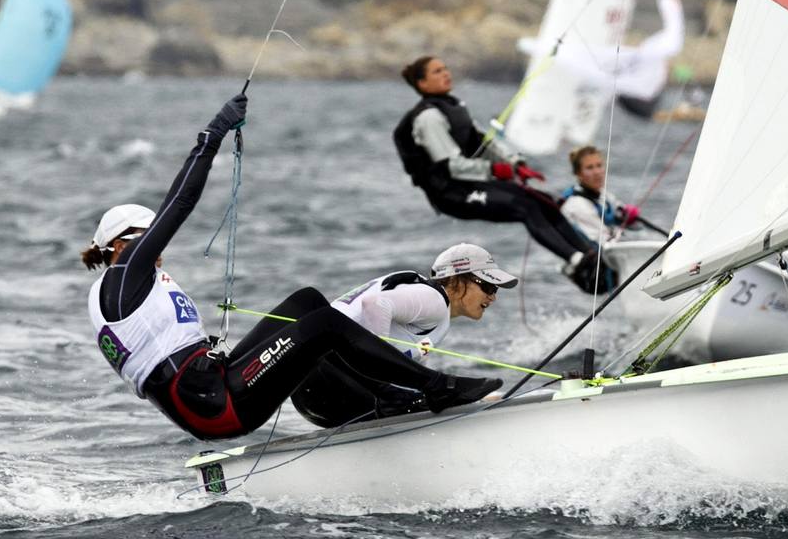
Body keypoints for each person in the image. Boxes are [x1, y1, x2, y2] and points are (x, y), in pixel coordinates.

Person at [83, 93, 497, 442]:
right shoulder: (124, 274)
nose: (156, 240)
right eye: (145, 233)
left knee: (308, 303)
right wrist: (211, 137)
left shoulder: (123, 289)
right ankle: (436, 387)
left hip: (214, 387)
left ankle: (384, 396)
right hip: (212, 404)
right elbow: (179, 204)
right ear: (120, 243)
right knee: (326, 327)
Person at [392, 55, 614, 294]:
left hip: (472, 184)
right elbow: (451, 166)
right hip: (451, 194)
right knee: (524, 208)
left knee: (544, 201)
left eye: (445, 68)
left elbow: (485, 143)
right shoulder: (428, 118)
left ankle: (590, 253)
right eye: (437, 72)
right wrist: (494, 169)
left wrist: (515, 163)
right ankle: (576, 260)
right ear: (422, 83)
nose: (446, 73)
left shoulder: (454, 107)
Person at [291, 243, 514, 428]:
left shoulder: (432, 314)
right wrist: (376, 363)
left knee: (415, 399)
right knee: (409, 404)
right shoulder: (433, 300)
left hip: (314, 385)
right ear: (456, 280)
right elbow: (376, 304)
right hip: (330, 378)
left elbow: (406, 378)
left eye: (495, 289)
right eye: (487, 286)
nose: (493, 297)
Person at [559, 145, 640, 246]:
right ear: (578, 173)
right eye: (590, 168)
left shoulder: (604, 195)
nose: (597, 172)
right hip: (595, 256)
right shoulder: (577, 205)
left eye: (599, 165)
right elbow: (604, 242)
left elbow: (617, 208)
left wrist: (625, 214)